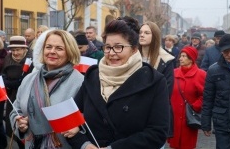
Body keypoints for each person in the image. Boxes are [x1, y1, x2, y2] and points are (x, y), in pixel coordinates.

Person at [67, 18, 169, 148]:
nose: (112, 53)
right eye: (108, 47)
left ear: (134, 49)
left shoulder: (154, 81)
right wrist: (85, 144)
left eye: (118, 47)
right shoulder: (93, 76)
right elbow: (72, 120)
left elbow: (157, 133)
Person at [9, 30, 84, 149]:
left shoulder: (80, 82)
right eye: (48, 47)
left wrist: (78, 127)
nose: (52, 52)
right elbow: (16, 109)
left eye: (59, 48)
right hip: (32, 145)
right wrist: (19, 122)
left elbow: (87, 119)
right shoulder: (29, 78)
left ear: (70, 52)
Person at [138, 21, 175, 145]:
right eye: (140, 32)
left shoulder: (166, 60)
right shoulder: (131, 57)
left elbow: (166, 90)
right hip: (133, 113)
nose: (142, 35)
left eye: (147, 33)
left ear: (155, 36)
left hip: (155, 114)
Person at [202, 34, 230, 149]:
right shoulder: (214, 70)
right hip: (222, 120)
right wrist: (206, 123)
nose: (229, 54)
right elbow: (208, 98)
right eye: (225, 51)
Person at [168, 46, 206, 149]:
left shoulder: (201, 75)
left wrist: (195, 106)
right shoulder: (173, 73)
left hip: (189, 118)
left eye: (184, 56)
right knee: (174, 145)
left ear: (191, 58)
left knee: (187, 145)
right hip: (174, 117)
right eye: (180, 56)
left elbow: (205, 96)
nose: (180, 58)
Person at [2, 35, 34, 149]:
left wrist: (14, 83)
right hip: (12, 97)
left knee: (26, 127)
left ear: (24, 49)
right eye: (13, 50)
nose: (15, 53)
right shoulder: (7, 58)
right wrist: (7, 82)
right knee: (14, 125)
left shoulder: (31, 61)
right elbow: (3, 75)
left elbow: (29, 80)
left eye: (18, 50)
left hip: (27, 97)